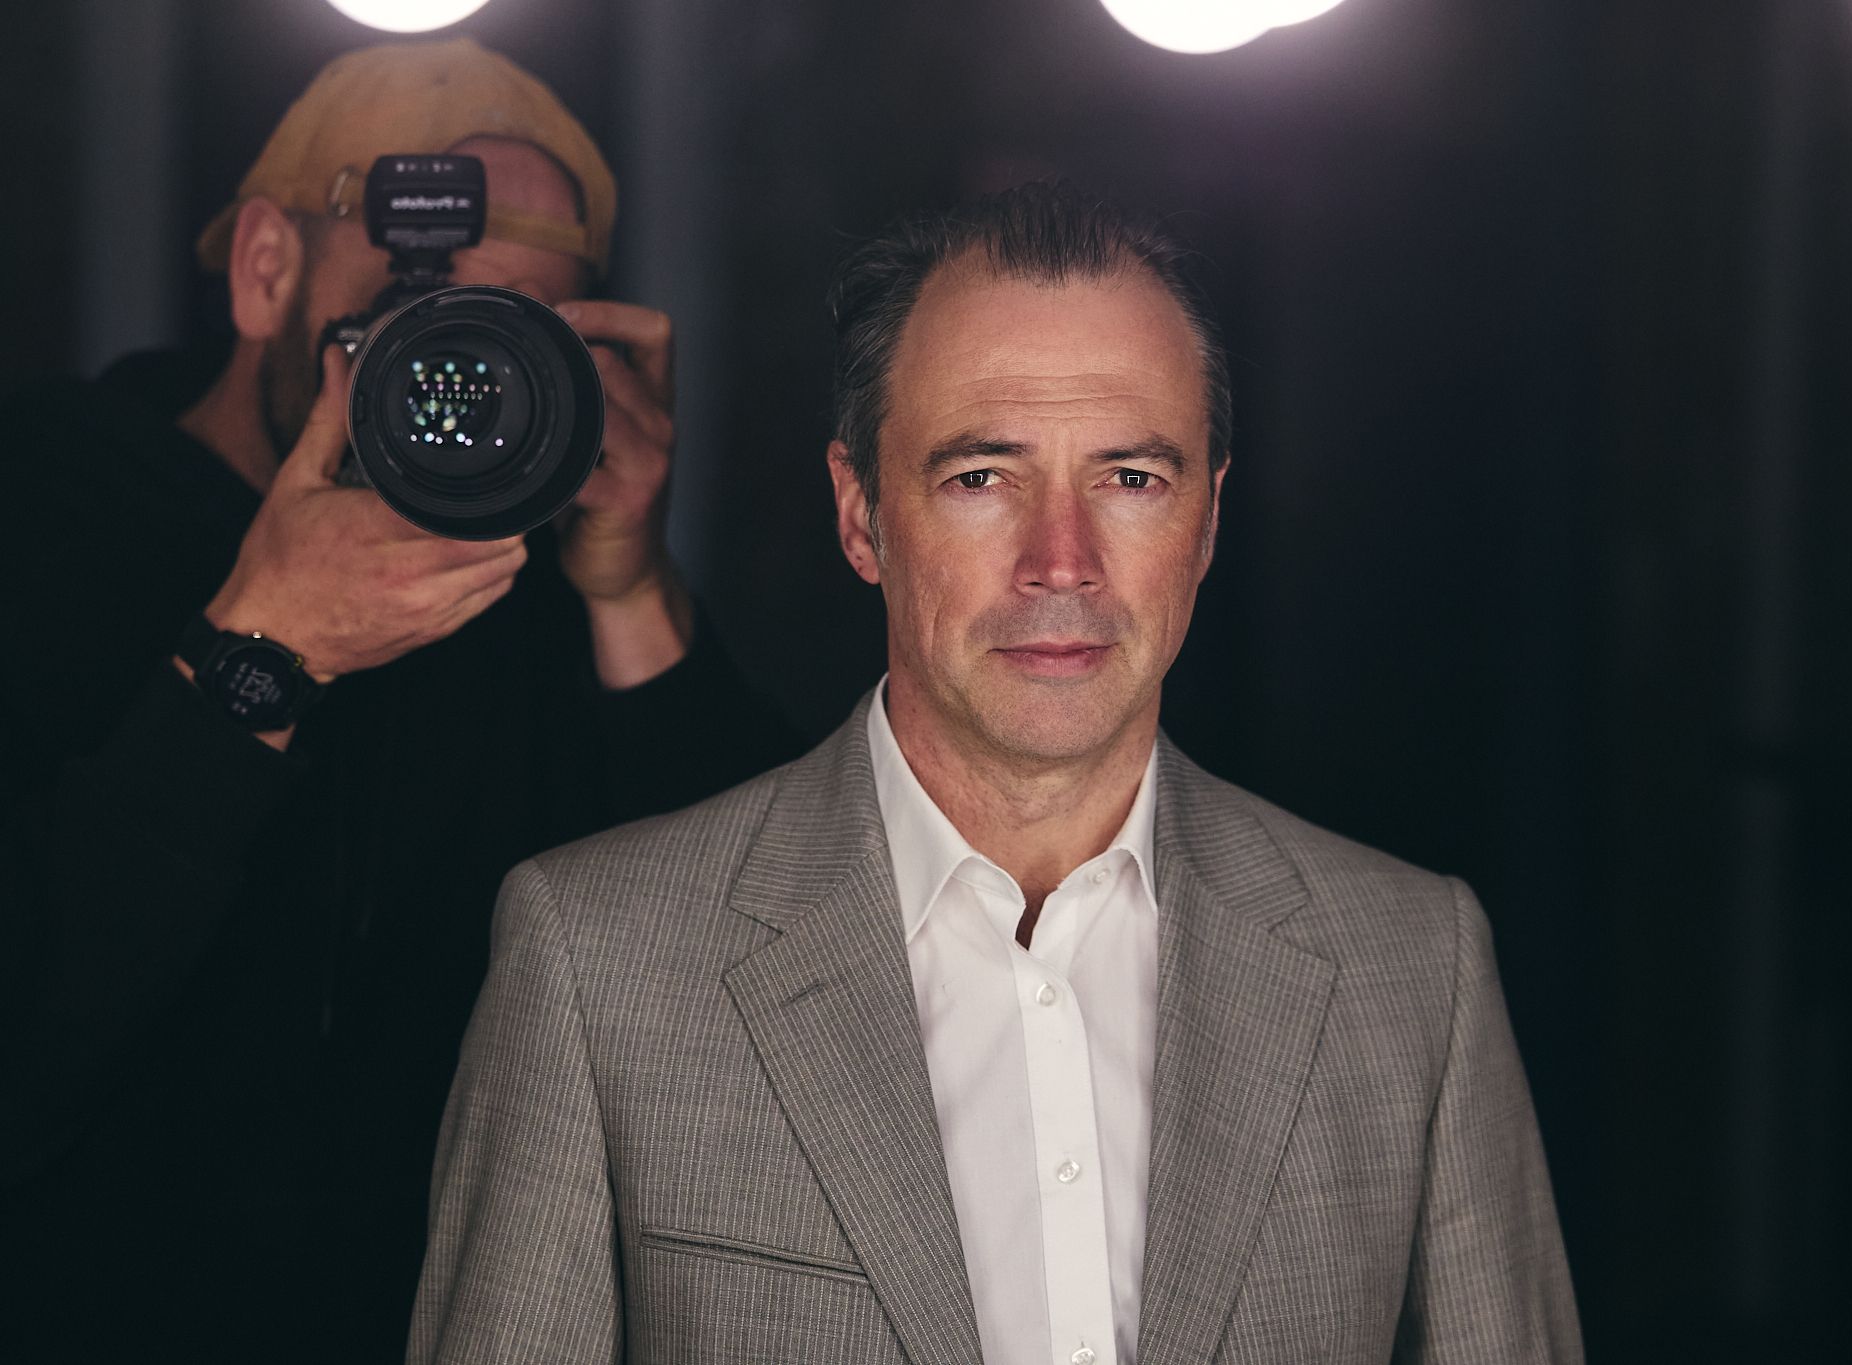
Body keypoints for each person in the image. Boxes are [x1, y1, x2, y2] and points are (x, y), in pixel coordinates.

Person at [409, 182, 1583, 1364]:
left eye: (1130, 478)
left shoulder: (1412, 969)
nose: (1059, 562)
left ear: (1208, 521)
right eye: (981, 476)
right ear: (860, 514)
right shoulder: (595, 962)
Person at [0, 38, 799, 1362]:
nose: (449, 390)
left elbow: (754, 992)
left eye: (507, 343)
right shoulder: (37, 511)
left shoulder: (530, 590)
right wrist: (264, 641)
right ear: (267, 272)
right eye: (415, 321)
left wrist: (628, 587)